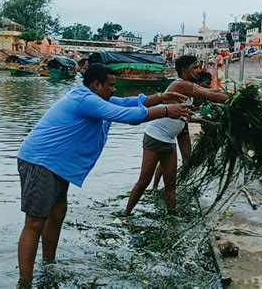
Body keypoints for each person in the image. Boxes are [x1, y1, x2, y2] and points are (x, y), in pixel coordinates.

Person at [16, 63, 193, 285]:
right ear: (96, 85)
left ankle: (48, 265)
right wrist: (167, 111)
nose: (114, 89)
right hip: (40, 161)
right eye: (110, 85)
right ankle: (25, 282)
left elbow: (129, 103)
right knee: (34, 222)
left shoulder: (98, 99)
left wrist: (161, 97)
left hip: (58, 165)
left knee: (57, 214)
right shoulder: (85, 100)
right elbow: (126, 115)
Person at [125, 56, 229, 216]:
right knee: (144, 181)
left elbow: (196, 105)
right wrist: (235, 98)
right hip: (155, 136)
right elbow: (212, 95)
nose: (198, 70)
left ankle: (171, 215)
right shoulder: (180, 84)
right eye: (195, 67)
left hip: (169, 139)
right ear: (185, 70)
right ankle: (126, 213)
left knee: (170, 183)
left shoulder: (190, 88)